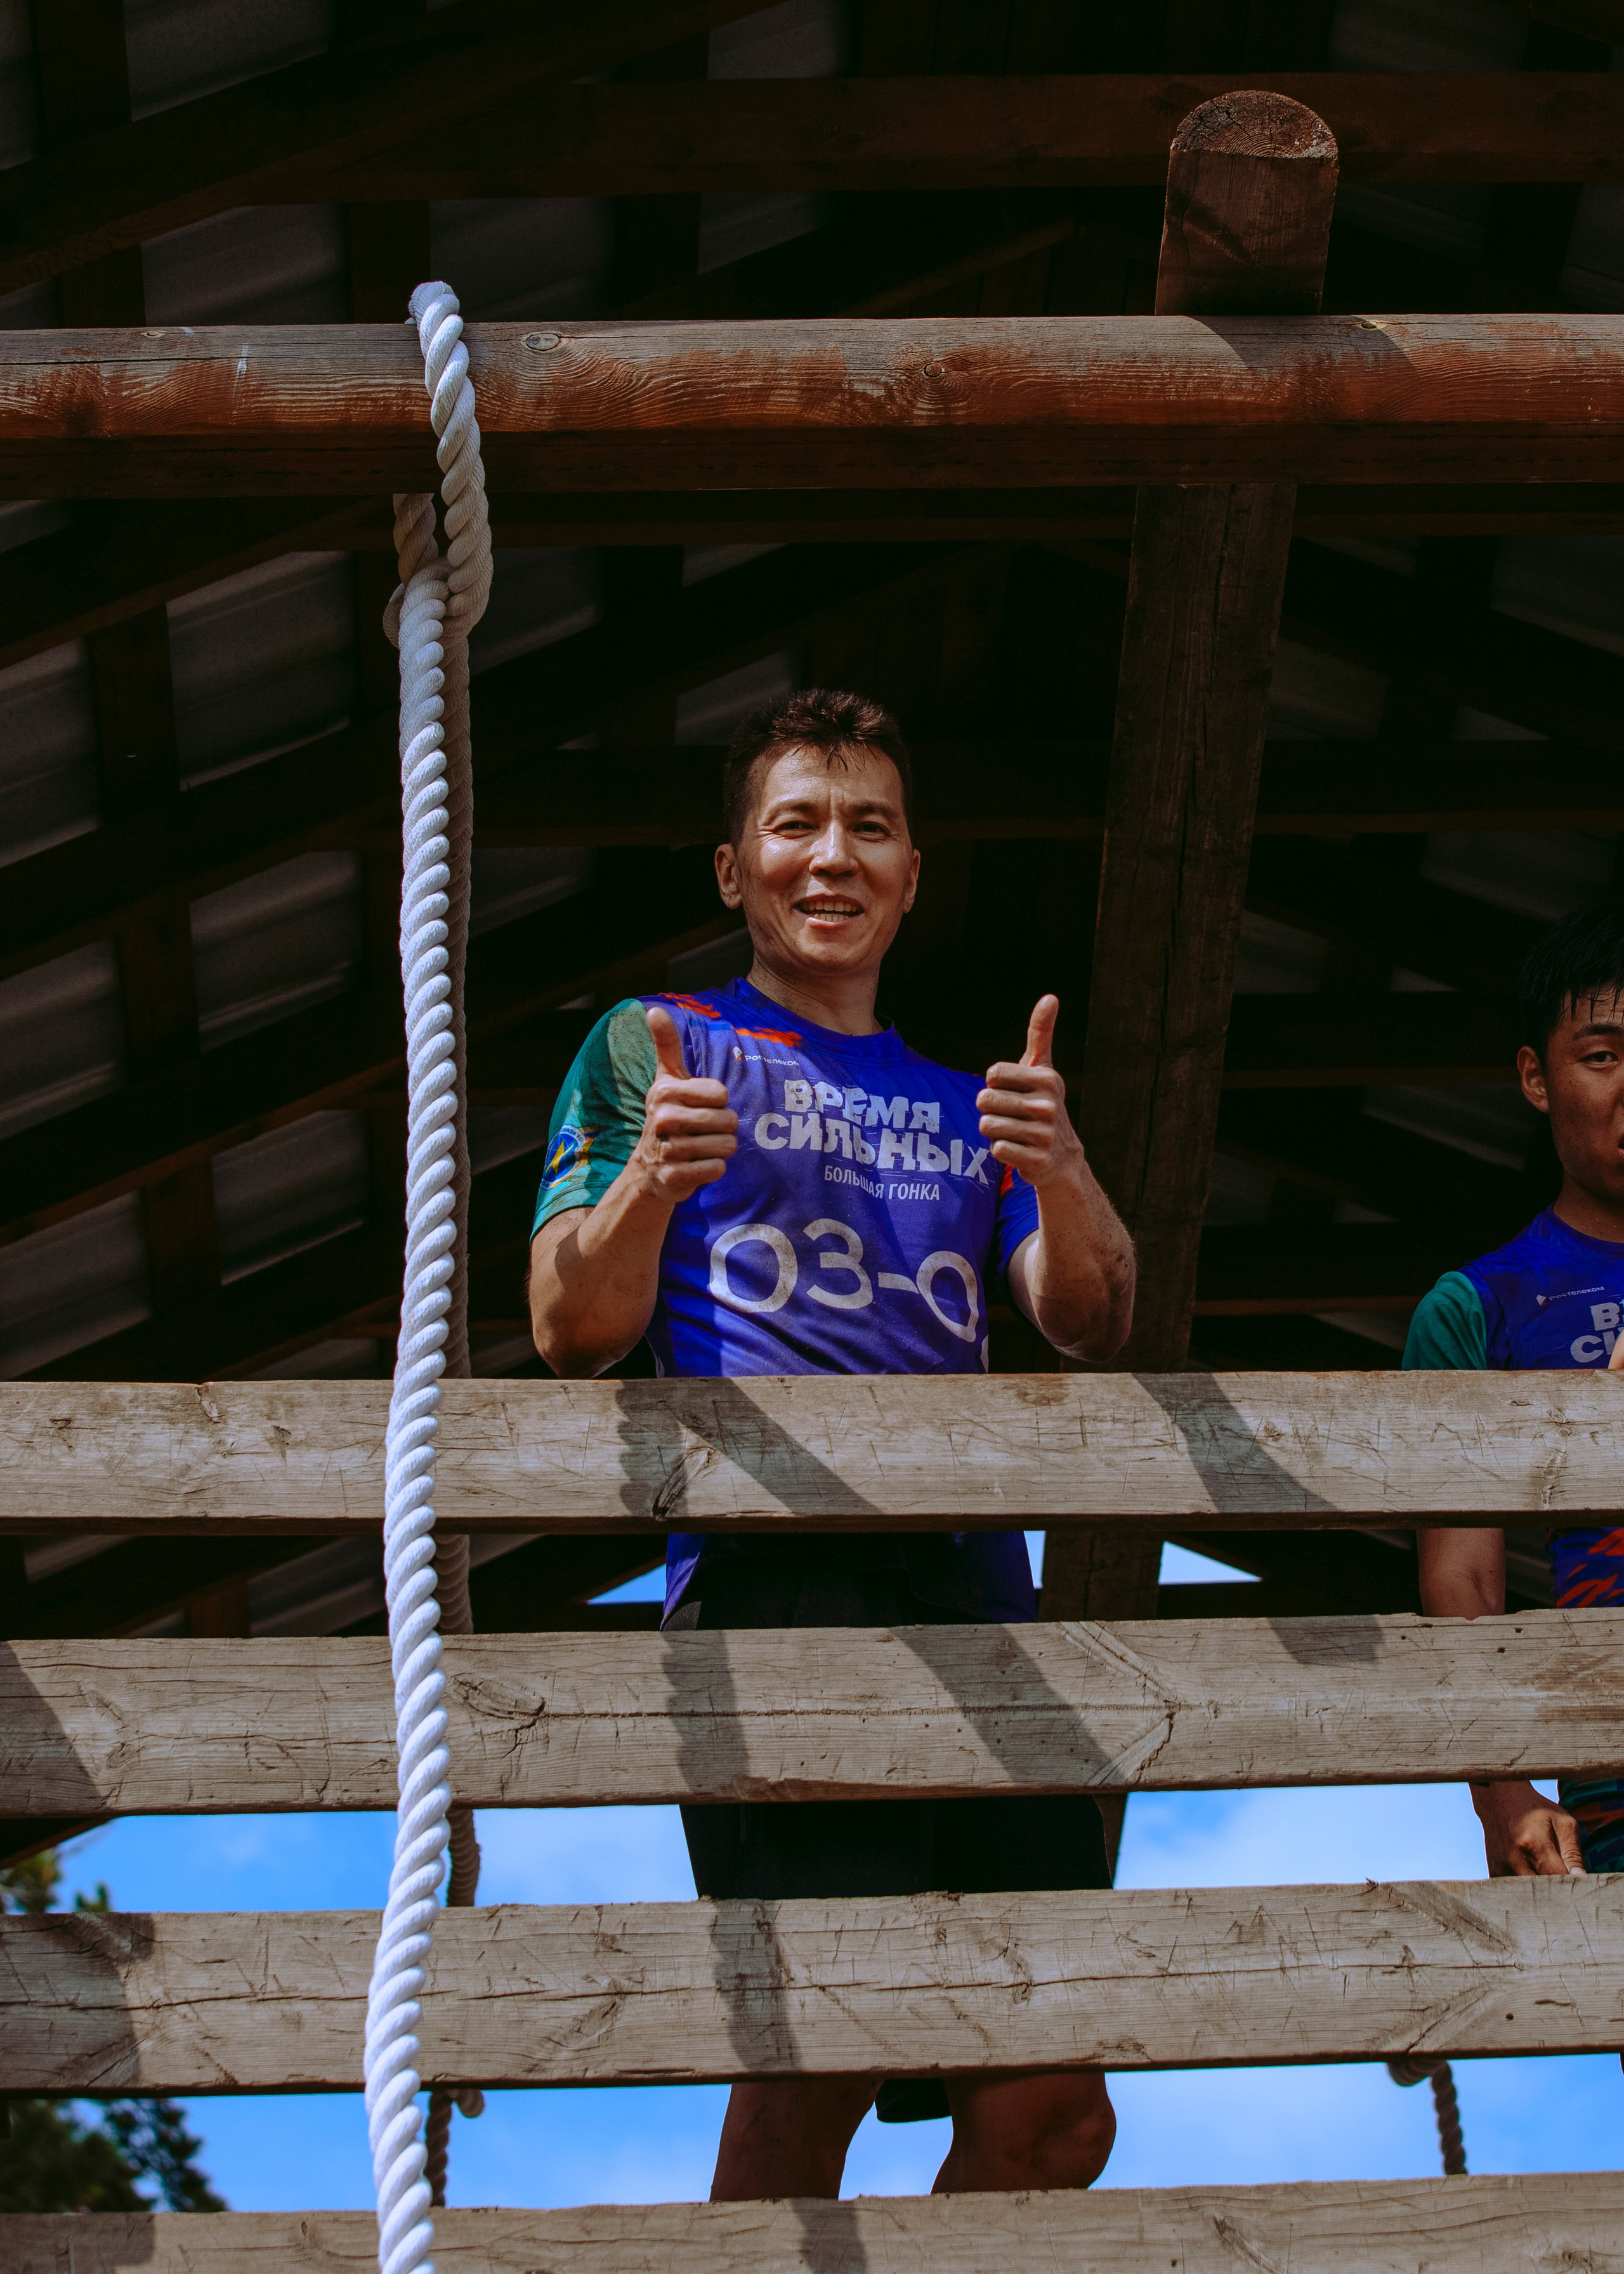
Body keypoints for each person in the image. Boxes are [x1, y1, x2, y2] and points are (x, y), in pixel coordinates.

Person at [528, 687, 1136, 2199]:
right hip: (772, 1587)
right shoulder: (657, 1045)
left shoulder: (969, 1098)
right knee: (819, 2058)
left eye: (868, 825)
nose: (831, 855)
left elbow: (1086, 1314)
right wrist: (645, 1187)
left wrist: (1056, 1170)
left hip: (982, 1605)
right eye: (794, 822)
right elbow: (566, 1322)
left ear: (912, 873)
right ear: (733, 869)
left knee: (1054, 2104)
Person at [1406, 898, 1624, 1881]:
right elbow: (1464, 1583)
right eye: (1605, 1055)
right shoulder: (1479, 1307)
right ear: (1538, 1076)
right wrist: (1509, 1795)